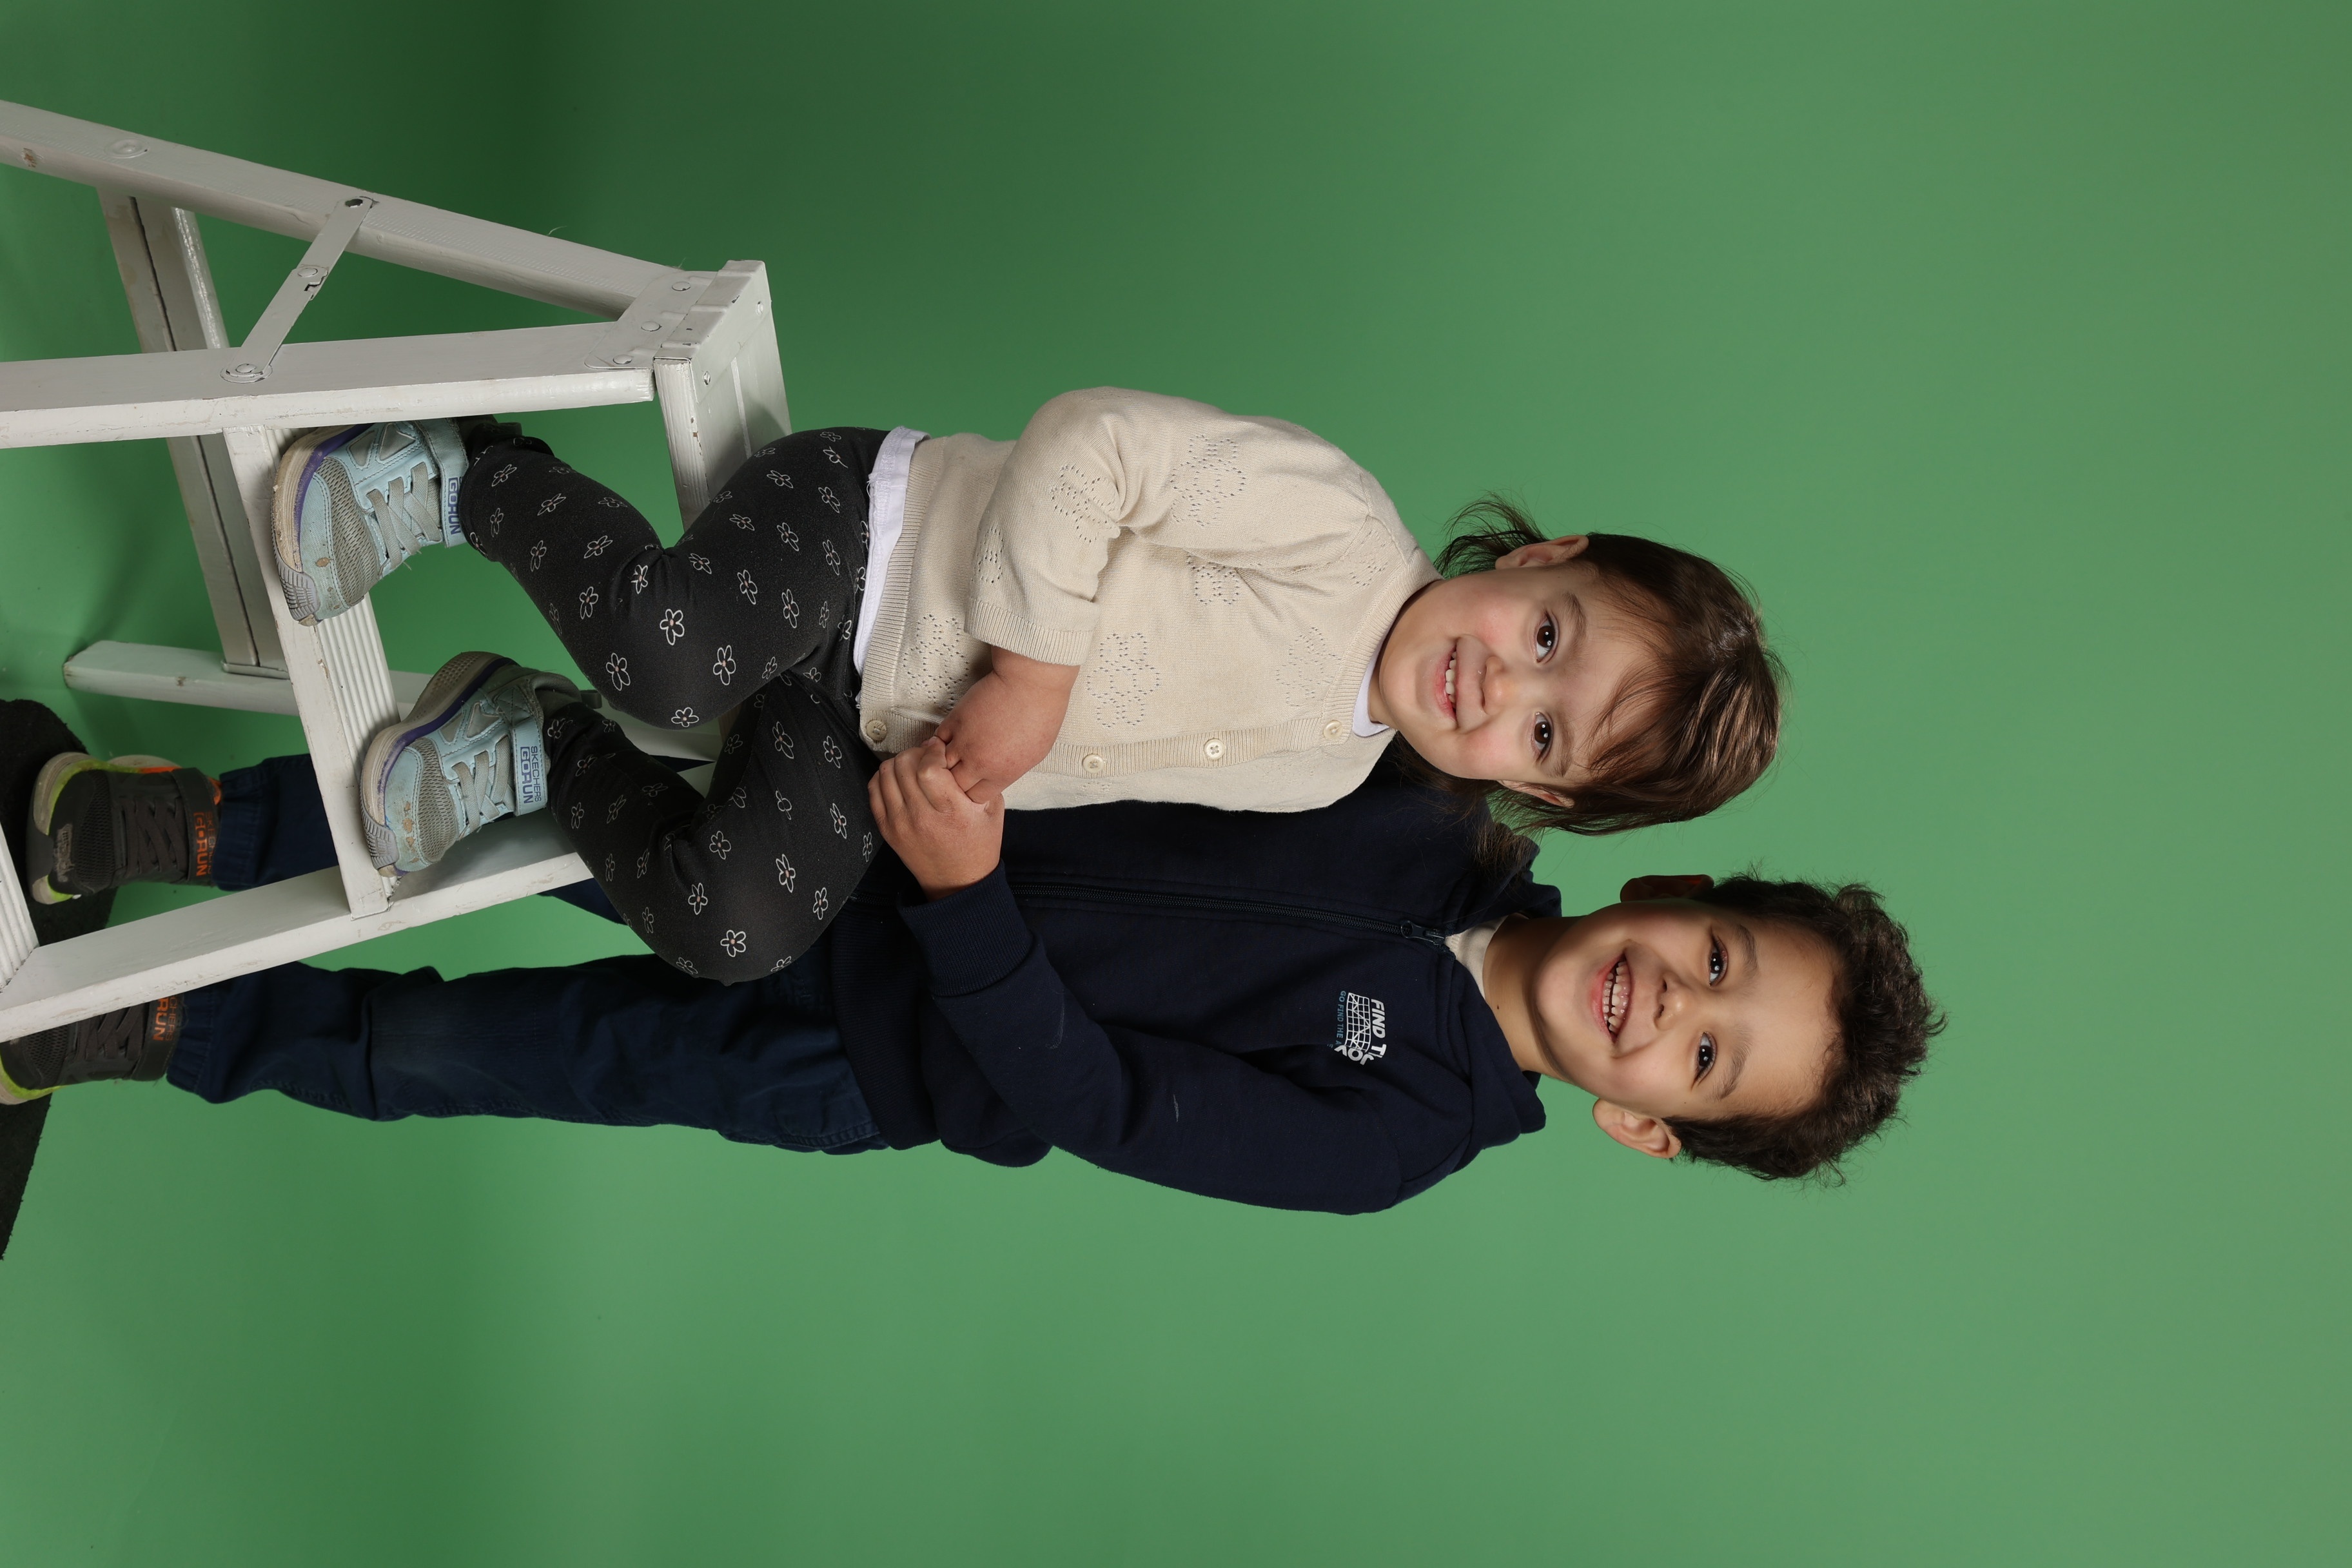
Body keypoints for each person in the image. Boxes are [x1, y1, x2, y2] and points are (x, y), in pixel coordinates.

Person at [1, 734, 1939, 1208]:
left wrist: (970, 907)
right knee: (517, 815)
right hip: (842, 836)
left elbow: (1107, 1101)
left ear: (1643, 1125)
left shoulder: (1400, 1133)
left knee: (479, 1052)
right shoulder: (1422, 801)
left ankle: (166, 1022)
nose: (1673, 1002)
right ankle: (179, 828)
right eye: (1716, 957)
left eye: (1706, 1057)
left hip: (859, 1062)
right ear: (1674, 883)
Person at [234, 389, 1781, 978]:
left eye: (1542, 729)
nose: (1497, 682)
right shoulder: (1340, 527)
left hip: (865, 721)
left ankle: (535, 743)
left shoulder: (1329, 767)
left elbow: (1101, 771)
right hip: (870, 540)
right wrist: (1033, 669)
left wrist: (975, 804)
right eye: (1548, 634)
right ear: (1544, 557)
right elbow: (1089, 442)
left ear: (1533, 788)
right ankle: (469, 472)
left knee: (739, 925)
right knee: (676, 653)